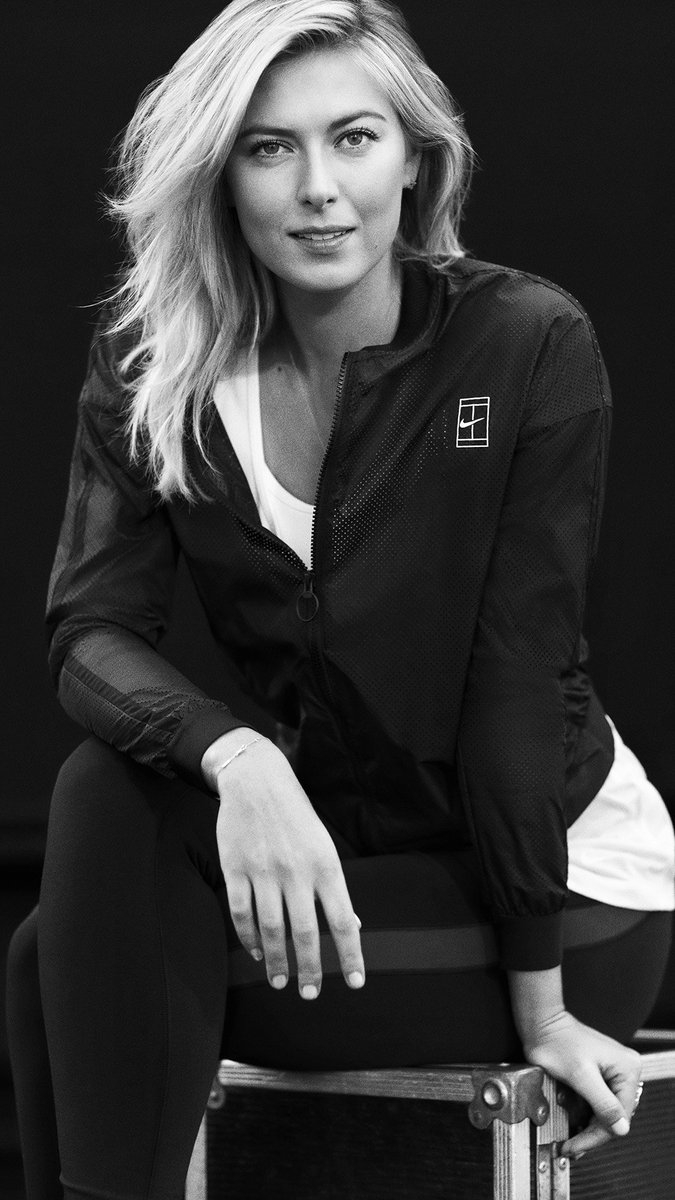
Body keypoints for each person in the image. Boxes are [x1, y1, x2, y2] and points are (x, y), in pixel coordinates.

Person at [7, 1, 674, 1197]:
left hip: (560, 890)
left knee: (70, 961)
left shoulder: (523, 342)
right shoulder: (159, 366)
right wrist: (241, 759)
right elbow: (90, 630)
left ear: (416, 158)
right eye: (271, 148)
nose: (318, 188)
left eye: (354, 138)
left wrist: (543, 1010)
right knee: (89, 840)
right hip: (360, 849)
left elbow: (519, 685)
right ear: (221, 175)